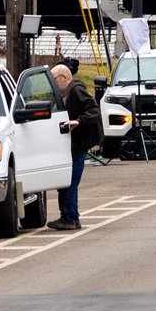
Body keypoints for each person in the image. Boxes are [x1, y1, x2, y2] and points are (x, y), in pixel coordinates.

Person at [48, 64, 101, 230]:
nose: (53, 84)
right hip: (70, 145)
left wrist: (79, 121)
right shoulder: (65, 94)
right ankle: (72, 217)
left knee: (69, 183)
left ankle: (69, 217)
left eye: (54, 80)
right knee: (67, 182)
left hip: (78, 145)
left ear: (64, 78)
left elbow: (94, 110)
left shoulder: (76, 90)